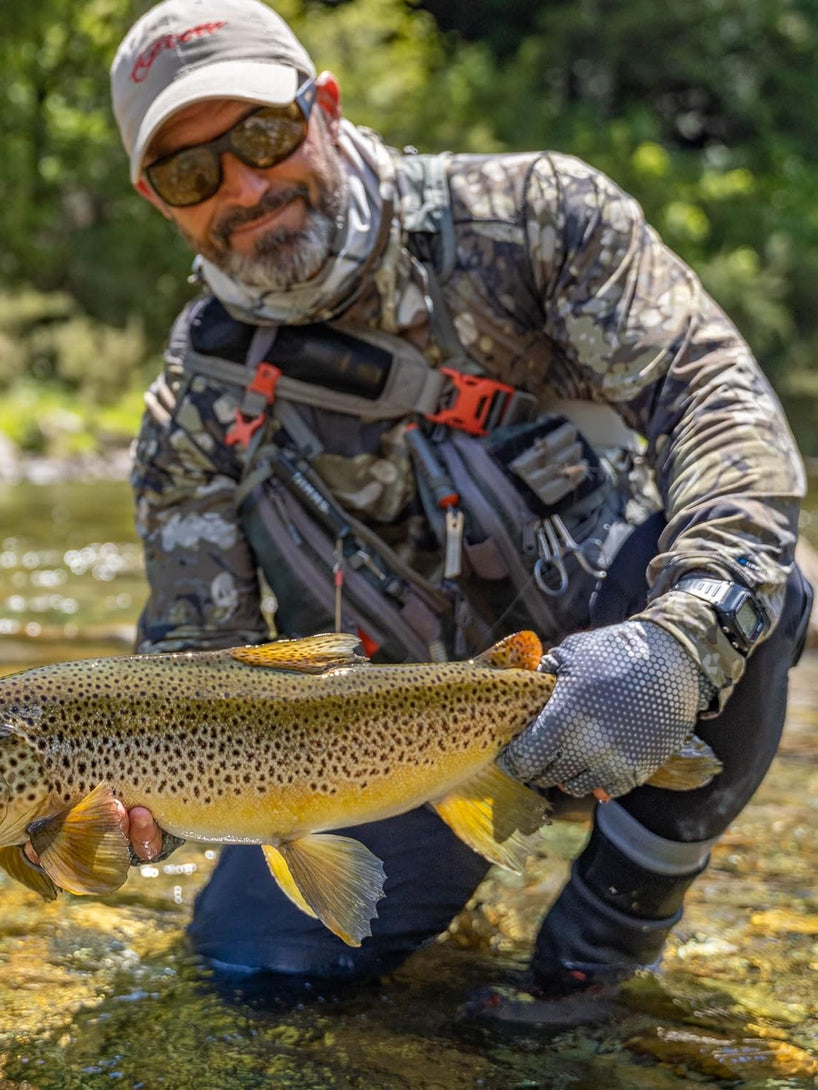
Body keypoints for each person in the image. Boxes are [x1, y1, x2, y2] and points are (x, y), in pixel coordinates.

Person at [107, 0, 813, 1015]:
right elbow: (197, 664)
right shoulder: (191, 407)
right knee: (250, 977)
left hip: (602, 669)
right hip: (370, 762)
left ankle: (599, 950)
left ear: (326, 108)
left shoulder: (531, 217)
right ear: (155, 199)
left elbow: (719, 408)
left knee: (762, 590)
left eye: (262, 134)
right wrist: (120, 817)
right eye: (190, 171)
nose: (245, 187)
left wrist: (675, 643)